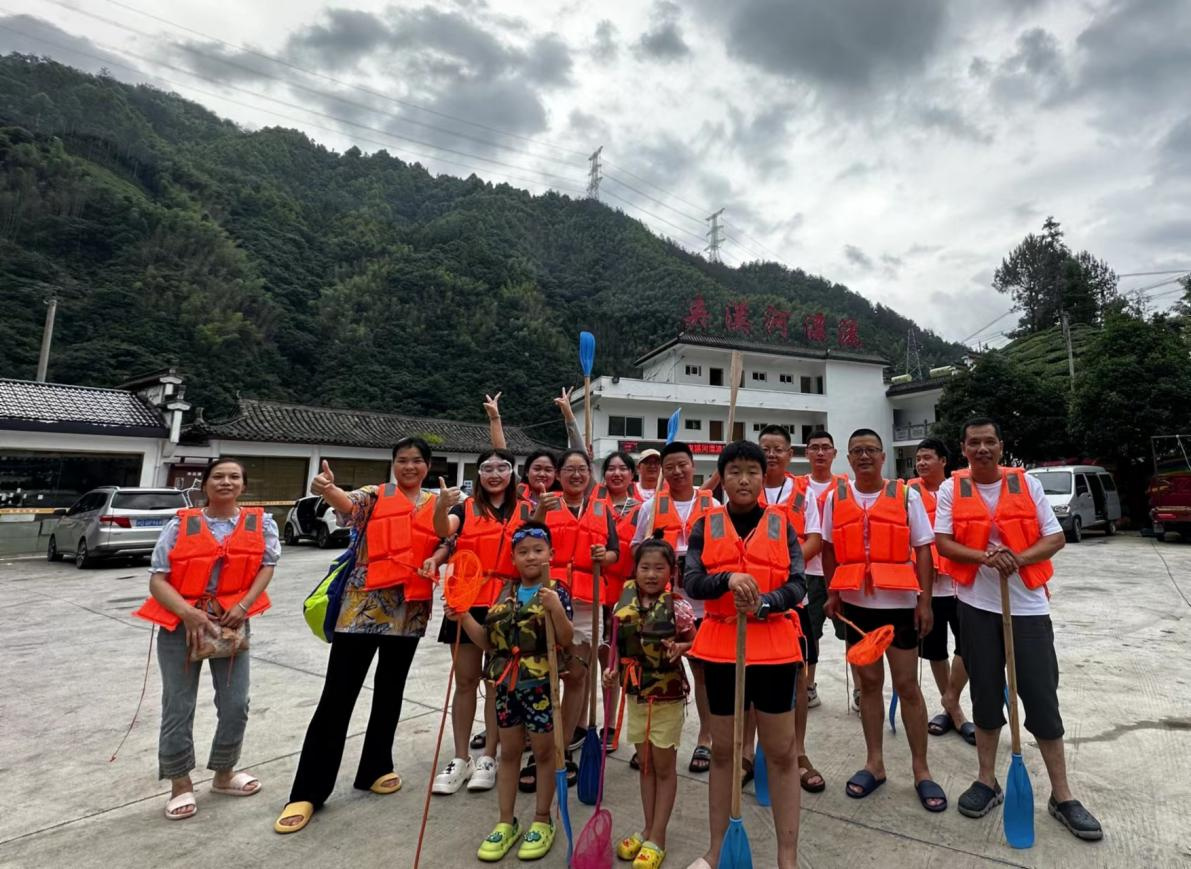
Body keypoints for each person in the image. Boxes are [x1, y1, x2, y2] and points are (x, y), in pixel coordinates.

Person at [935, 418, 1102, 840]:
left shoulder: (1028, 485)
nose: (982, 449)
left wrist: (1017, 558)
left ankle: (1062, 795)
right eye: (974, 443)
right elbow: (944, 542)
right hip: (976, 606)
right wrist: (985, 557)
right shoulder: (951, 488)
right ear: (963, 449)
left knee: (1041, 696)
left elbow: (1055, 537)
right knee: (985, 694)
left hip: (1027, 607)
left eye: (989, 441)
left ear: (1001, 446)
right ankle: (986, 780)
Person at [275, 438, 447, 834]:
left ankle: (375, 767)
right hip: (361, 609)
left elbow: (446, 541)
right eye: (402, 460)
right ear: (393, 464)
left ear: (428, 465)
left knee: (390, 692)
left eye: (416, 461)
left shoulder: (438, 503)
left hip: (409, 611)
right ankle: (307, 791)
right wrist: (328, 489)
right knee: (337, 696)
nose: (409, 467)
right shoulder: (375, 494)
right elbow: (348, 506)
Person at [135, 457, 279, 820]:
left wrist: (243, 606)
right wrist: (188, 613)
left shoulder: (262, 523)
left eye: (234, 477)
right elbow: (158, 578)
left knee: (235, 703)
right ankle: (180, 783)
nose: (226, 482)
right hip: (181, 625)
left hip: (231, 623)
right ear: (205, 484)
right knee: (178, 705)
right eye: (218, 476)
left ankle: (224, 772)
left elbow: (267, 566)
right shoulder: (180, 524)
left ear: (244, 485)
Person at [684, 440, 805, 869]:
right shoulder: (705, 525)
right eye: (734, 471)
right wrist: (728, 579)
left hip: (773, 649)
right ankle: (717, 848)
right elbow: (691, 581)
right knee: (723, 751)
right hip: (721, 649)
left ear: (763, 477)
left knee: (782, 752)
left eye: (752, 472)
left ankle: (787, 856)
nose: (743, 480)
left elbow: (797, 584)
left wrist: (764, 603)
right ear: (722, 479)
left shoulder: (782, 525)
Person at [822, 429, 946, 812]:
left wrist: (925, 602)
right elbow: (828, 548)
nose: (864, 456)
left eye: (871, 450)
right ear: (848, 458)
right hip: (857, 606)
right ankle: (874, 764)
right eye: (857, 451)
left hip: (899, 605)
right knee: (870, 685)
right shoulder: (836, 498)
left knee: (907, 686)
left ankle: (921, 770)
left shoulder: (906, 495)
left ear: (882, 457)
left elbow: (923, 549)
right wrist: (832, 592)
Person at [449, 521, 575, 862]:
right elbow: (489, 642)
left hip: (540, 686)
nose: (531, 557)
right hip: (506, 686)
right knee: (509, 753)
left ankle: (542, 819)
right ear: (513, 557)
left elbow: (565, 639)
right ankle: (506, 821)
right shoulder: (504, 593)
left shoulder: (556, 592)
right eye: (523, 552)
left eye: (538, 550)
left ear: (551, 554)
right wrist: (463, 616)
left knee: (544, 753)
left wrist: (556, 609)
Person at [430, 448, 531, 795]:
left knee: (496, 683)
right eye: (487, 468)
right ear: (478, 475)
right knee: (465, 680)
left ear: (512, 473)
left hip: (507, 602)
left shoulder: (526, 508)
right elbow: (444, 528)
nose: (495, 474)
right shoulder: (465, 508)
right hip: (467, 599)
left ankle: (489, 755)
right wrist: (441, 506)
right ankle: (461, 757)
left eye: (502, 467)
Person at [529, 448, 618, 789]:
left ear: (589, 474)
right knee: (543, 673)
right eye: (570, 469)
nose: (577, 475)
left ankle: (561, 749)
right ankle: (539, 750)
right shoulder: (546, 503)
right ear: (559, 474)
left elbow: (615, 552)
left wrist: (604, 555)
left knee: (577, 675)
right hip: (549, 597)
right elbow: (527, 541)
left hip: (587, 600)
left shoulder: (602, 508)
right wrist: (539, 511)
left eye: (582, 469)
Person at [607, 536, 695, 869]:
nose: (651, 574)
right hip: (636, 696)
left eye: (659, 568)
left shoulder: (680, 608)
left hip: (666, 699)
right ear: (635, 570)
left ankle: (659, 836)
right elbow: (615, 646)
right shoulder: (622, 606)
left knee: (663, 766)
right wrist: (611, 672)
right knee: (644, 764)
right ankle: (647, 828)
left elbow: (696, 642)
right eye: (645, 567)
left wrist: (682, 648)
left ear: (672, 572)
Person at [631, 442, 718, 774]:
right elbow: (636, 550)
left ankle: (706, 737)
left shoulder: (713, 504)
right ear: (663, 472)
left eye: (683, 465)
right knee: (656, 671)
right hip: (662, 604)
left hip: (702, 603)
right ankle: (653, 740)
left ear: (693, 466)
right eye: (670, 467)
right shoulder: (651, 506)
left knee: (703, 672)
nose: (677, 471)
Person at [756, 424, 825, 793]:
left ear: (790, 454)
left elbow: (815, 539)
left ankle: (798, 752)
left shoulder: (804, 493)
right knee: (746, 676)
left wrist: (786, 567)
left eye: (778, 448)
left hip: (792, 598)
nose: (771, 454)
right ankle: (747, 753)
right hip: (750, 598)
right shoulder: (742, 487)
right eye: (765, 448)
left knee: (797, 677)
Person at [909, 437, 975, 745]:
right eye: (918, 459)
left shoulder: (959, 490)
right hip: (927, 590)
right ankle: (955, 712)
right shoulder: (908, 493)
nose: (921, 463)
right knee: (935, 651)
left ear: (944, 461)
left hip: (961, 585)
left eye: (927, 458)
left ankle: (950, 699)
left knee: (968, 646)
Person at [798, 430, 849, 709]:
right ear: (806, 452)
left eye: (825, 447)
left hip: (841, 572)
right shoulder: (796, 488)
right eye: (814, 447)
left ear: (834, 453)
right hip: (807, 573)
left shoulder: (846, 487)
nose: (820, 452)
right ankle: (809, 686)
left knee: (850, 634)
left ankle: (859, 688)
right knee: (810, 634)